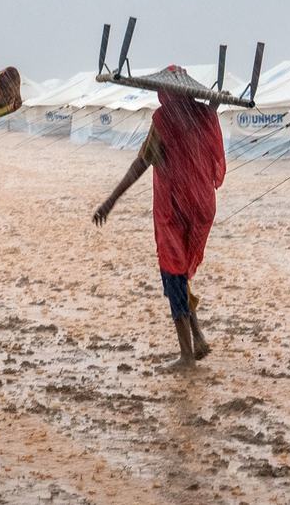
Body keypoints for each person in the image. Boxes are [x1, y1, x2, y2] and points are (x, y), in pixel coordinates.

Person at [93, 66, 225, 371]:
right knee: (180, 272)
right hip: (202, 208)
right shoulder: (203, 115)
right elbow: (210, 125)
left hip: (175, 209)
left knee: (172, 273)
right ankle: (198, 338)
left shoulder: (164, 121)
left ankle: (186, 356)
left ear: (164, 93)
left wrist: (110, 201)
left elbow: (141, 163)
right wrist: (213, 104)